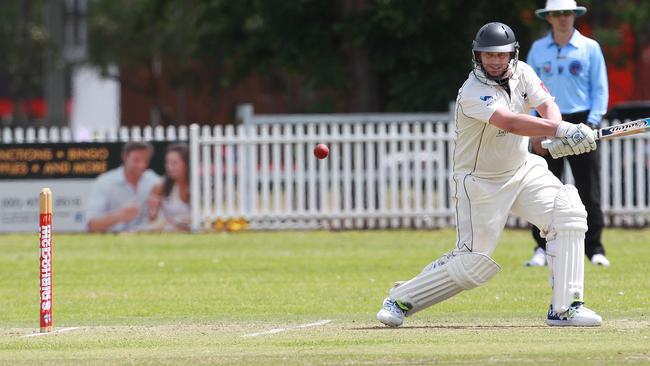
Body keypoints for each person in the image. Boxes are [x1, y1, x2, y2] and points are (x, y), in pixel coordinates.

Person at [376, 22, 602, 328]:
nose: (494, 61)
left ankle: (566, 309)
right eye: (487, 55)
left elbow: (547, 104)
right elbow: (509, 122)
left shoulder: (523, 71)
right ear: (477, 56)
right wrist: (562, 130)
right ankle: (401, 298)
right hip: (479, 182)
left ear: (512, 54)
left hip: (522, 168)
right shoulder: (472, 92)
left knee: (569, 213)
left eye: (501, 55)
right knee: (472, 263)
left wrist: (556, 134)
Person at [526, 0, 610, 267]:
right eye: (558, 14)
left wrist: (593, 123)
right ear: (549, 17)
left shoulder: (590, 48)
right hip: (547, 122)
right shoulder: (538, 49)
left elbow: (599, 89)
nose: (564, 18)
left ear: (575, 16)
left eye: (568, 14)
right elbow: (526, 90)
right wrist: (532, 128)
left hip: (582, 121)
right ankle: (541, 248)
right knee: (543, 188)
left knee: (589, 188)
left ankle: (594, 248)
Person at [86, 141, 161, 232]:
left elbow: (159, 221)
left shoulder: (154, 181)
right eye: (136, 160)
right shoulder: (105, 182)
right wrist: (119, 216)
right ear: (125, 157)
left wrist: (154, 212)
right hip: (112, 240)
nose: (142, 165)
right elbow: (91, 225)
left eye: (146, 160)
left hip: (145, 240)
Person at [147, 143, 191, 232]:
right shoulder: (159, 187)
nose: (169, 167)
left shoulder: (197, 187)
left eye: (174, 163)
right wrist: (153, 212)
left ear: (187, 164)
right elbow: (153, 220)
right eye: (167, 162)